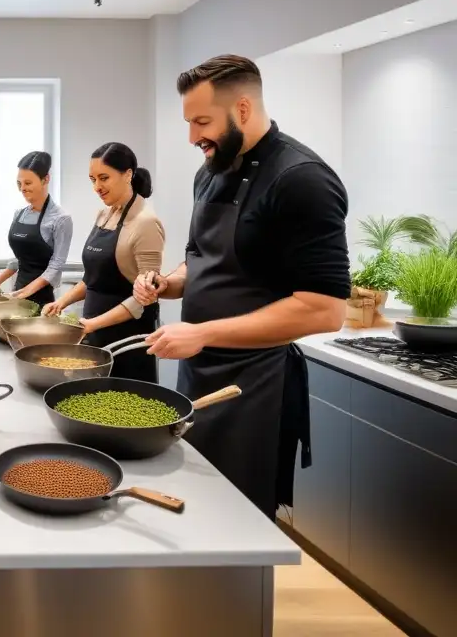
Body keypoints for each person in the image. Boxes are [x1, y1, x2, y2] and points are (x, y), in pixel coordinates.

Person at [136, 54, 349, 519]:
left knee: (240, 523)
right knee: (197, 511)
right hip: (198, 370)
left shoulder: (302, 180)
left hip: (256, 387)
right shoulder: (209, 173)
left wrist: (204, 332)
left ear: (244, 109)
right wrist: (166, 283)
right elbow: (202, 263)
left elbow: (325, 309)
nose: (193, 137)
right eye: (188, 122)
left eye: (202, 122)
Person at [43, 143, 164, 382]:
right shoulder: (104, 214)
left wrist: (92, 324)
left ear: (128, 174)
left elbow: (145, 297)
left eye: (104, 178)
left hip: (128, 339)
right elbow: (93, 278)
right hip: (95, 334)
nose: (97, 187)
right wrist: (61, 303)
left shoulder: (145, 223)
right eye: (92, 179)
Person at [0, 151, 73, 308]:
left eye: (28, 183)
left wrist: (26, 291)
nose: (22, 189)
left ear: (45, 179)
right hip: (18, 293)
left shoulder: (61, 219)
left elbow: (56, 265)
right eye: (19, 183)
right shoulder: (19, 214)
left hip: (42, 299)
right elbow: (22, 259)